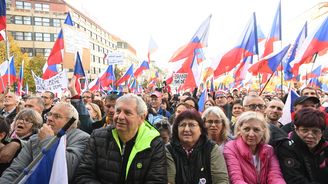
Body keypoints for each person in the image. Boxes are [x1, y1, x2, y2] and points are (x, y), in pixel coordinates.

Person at [74, 94, 167, 183]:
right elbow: (84, 175)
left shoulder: (154, 143)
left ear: (142, 117)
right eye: (118, 111)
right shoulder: (97, 137)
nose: (120, 117)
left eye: (127, 113)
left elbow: (157, 180)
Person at [0, 102, 89, 182]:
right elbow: (16, 170)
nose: (49, 118)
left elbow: (66, 169)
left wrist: (47, 140)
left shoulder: (82, 138)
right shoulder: (35, 139)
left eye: (57, 116)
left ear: (71, 122)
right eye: (49, 114)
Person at [166, 109, 229, 184]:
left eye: (192, 125)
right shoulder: (169, 150)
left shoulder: (211, 149)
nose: (186, 129)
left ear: (201, 129)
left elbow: (221, 180)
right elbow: (169, 181)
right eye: (182, 125)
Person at [223, 111, 286, 184]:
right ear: (240, 129)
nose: (251, 134)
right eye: (246, 129)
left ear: (263, 131)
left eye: (256, 130)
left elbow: (275, 176)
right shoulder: (231, 148)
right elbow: (236, 179)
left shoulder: (269, 150)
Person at [276, 108, 328, 184]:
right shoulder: (286, 147)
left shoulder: (325, 147)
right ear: (296, 129)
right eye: (305, 130)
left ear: (322, 133)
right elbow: (294, 179)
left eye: (315, 131)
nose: (310, 135)